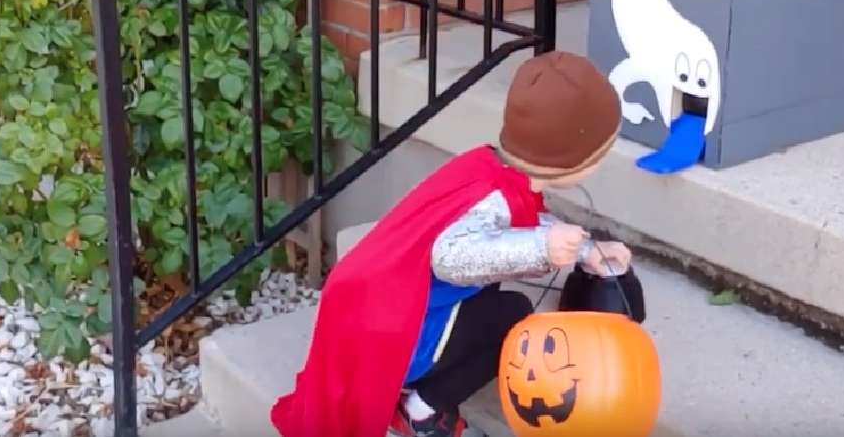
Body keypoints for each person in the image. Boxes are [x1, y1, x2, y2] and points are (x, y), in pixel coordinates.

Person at [270, 51, 645, 437]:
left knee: (495, 300)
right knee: (515, 317)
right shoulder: (494, 199)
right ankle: (420, 409)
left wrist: (584, 251)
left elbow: (517, 224)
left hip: (371, 313)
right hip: (392, 335)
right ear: (573, 157)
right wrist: (540, 247)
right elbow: (450, 256)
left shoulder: (487, 168)